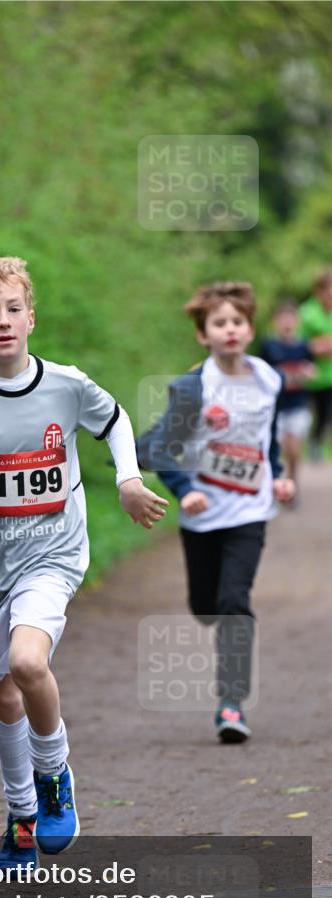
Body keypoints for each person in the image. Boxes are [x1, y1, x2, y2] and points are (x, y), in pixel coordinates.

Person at [0, 257, 167, 874]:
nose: (3, 321)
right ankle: (21, 815)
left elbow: (114, 421)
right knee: (3, 694)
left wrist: (127, 478)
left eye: (13, 309)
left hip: (52, 554)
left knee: (29, 663)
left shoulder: (66, 384)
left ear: (31, 318)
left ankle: (54, 779)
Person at [137, 282, 295, 743]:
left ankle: (231, 705)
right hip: (202, 513)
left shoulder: (268, 378)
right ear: (203, 335)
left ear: (250, 329)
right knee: (206, 607)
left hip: (250, 511)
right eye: (219, 323)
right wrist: (185, 490)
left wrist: (279, 475)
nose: (230, 330)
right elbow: (165, 450)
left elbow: (265, 437)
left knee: (233, 603)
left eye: (238, 322)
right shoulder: (195, 388)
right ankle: (216, 629)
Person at [260, 300, 316, 493]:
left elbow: (311, 369)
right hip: (275, 406)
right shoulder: (268, 345)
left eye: (290, 319)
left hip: (298, 405)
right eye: (283, 319)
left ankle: (292, 481)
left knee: (294, 450)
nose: (287, 323)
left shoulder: (304, 346)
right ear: (276, 321)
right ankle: (276, 482)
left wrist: (307, 374)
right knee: (279, 448)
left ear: (297, 321)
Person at [299, 267, 332, 461]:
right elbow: (299, 343)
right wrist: (319, 346)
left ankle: (315, 444)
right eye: (327, 288)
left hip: (329, 375)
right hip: (308, 375)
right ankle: (304, 444)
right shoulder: (307, 312)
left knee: (324, 414)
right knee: (304, 415)